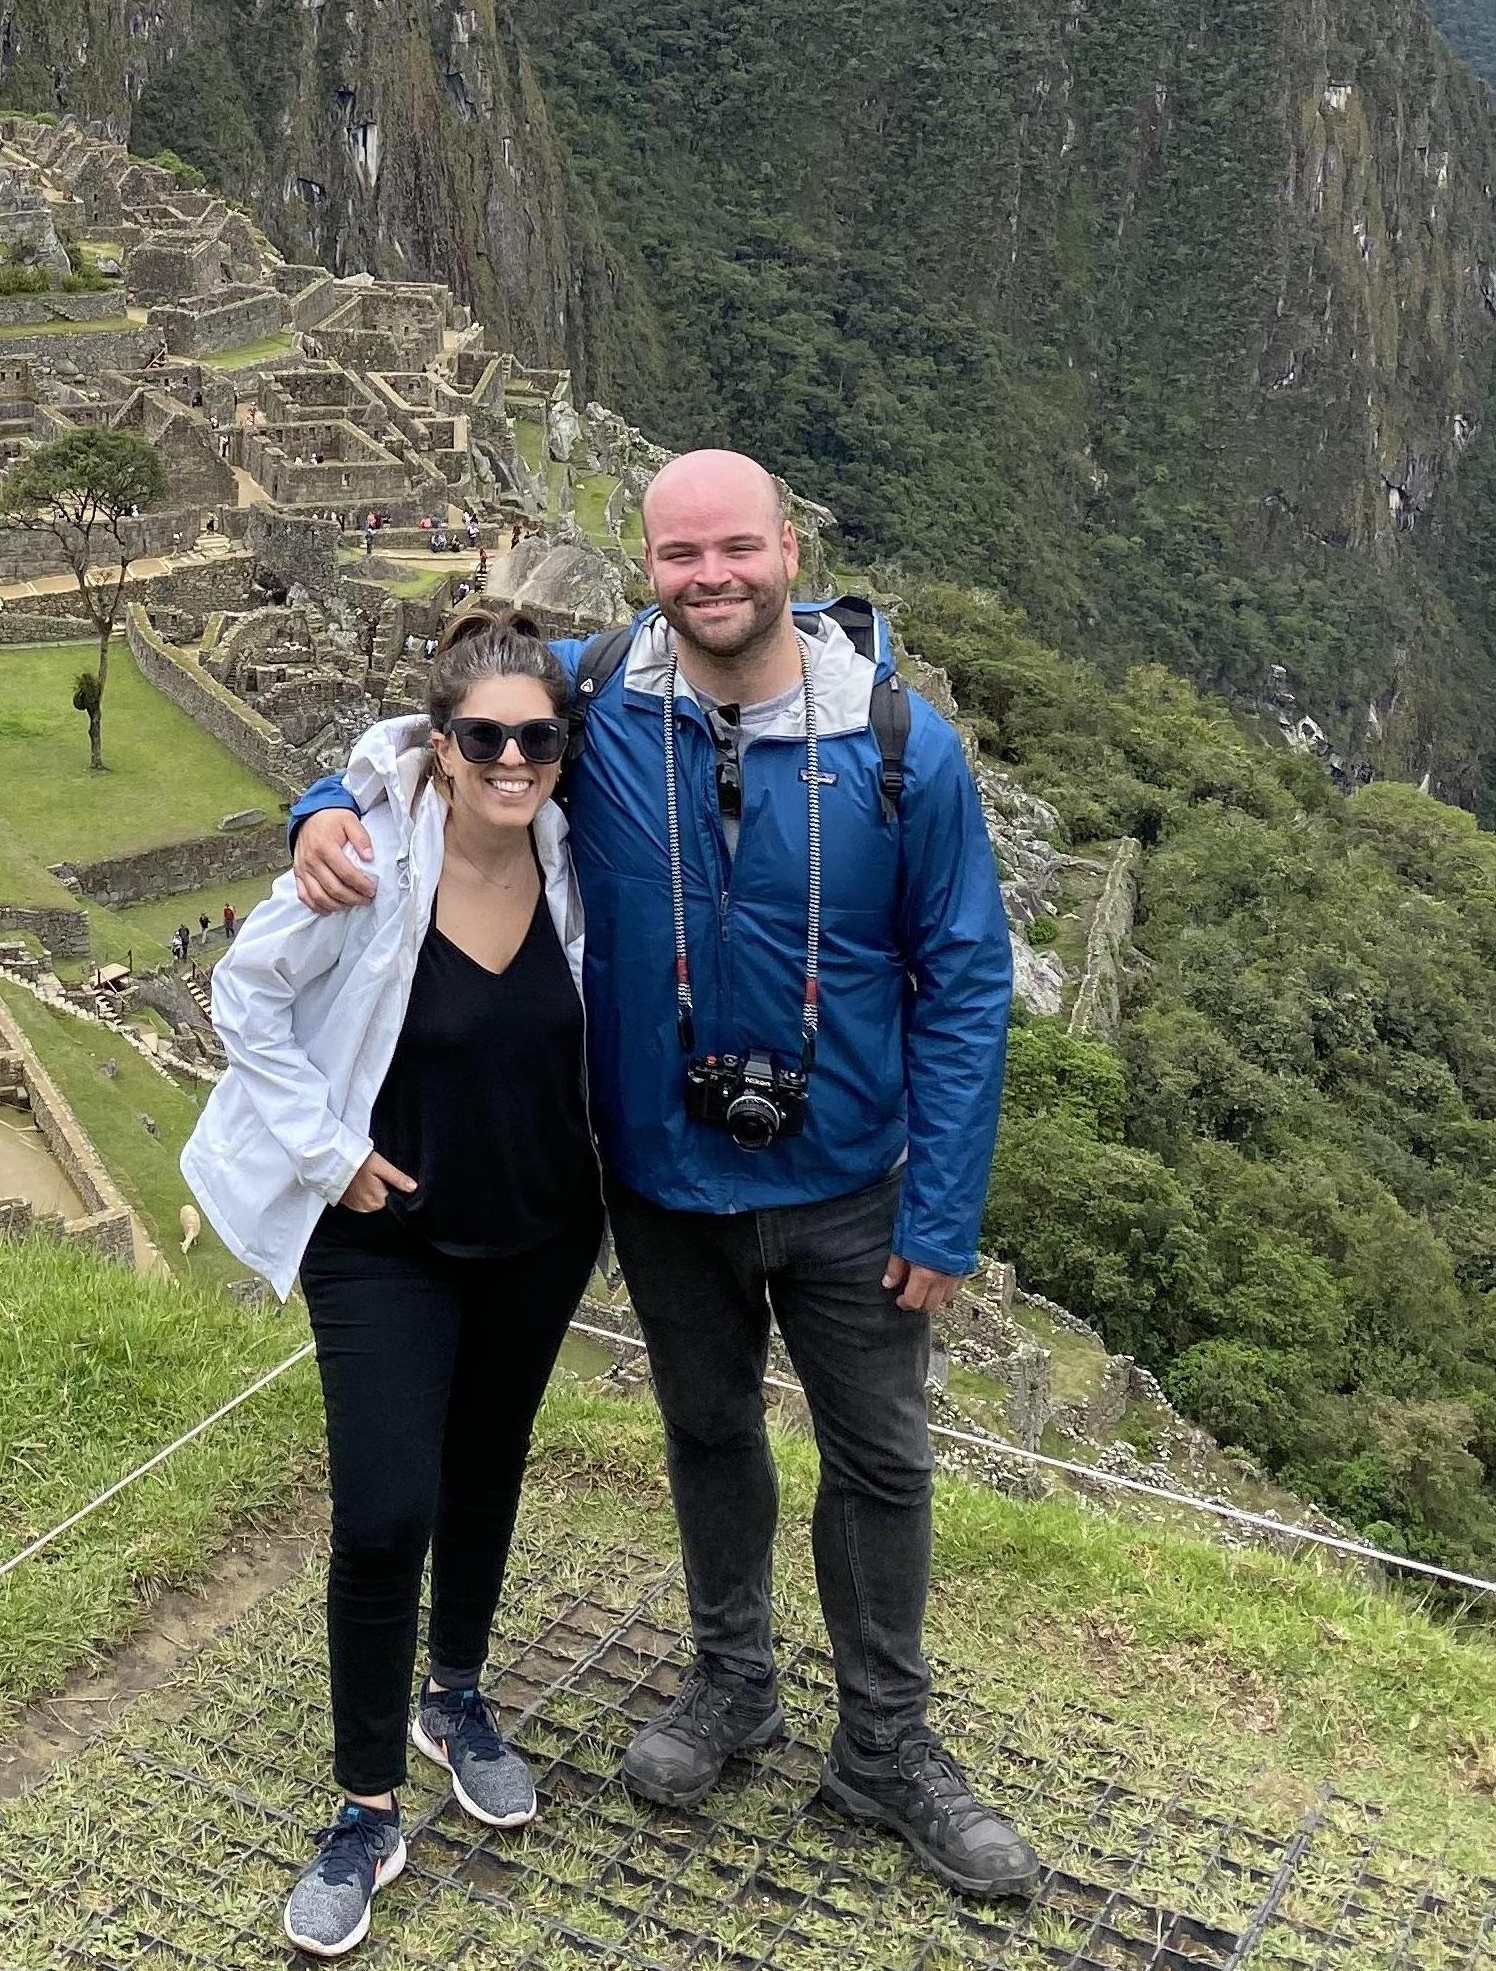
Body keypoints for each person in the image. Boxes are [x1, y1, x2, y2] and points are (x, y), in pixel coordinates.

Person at [289, 452, 1036, 1904]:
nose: (712, 578)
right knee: (706, 1430)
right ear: (647, 567)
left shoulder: (900, 743)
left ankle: (887, 1744)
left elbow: (965, 975)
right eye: (682, 555)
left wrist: (944, 1204)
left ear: (790, 549)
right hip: (663, 1177)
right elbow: (442, 712)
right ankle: (731, 1685)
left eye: (736, 550)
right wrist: (323, 796)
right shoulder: (606, 693)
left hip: (849, 1183)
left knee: (879, 1459)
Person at [189, 608, 605, 1960]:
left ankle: (458, 1693)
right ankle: (366, 1806)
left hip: (539, 1225)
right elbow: (243, 995)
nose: (512, 759)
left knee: (488, 1463)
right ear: (441, 744)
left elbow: (679, 639)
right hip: (383, 1236)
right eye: (485, 736)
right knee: (383, 1511)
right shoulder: (366, 859)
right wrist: (332, 1153)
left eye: (538, 737)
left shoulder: (579, 852)